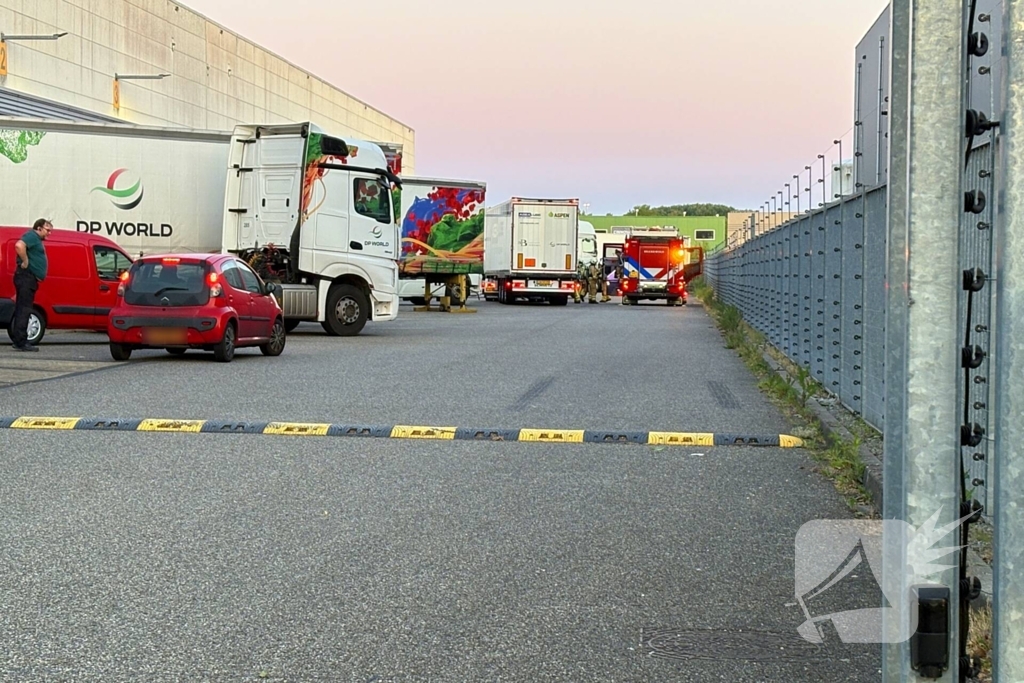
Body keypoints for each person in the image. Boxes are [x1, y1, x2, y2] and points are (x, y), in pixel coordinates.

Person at [11, 218, 52, 351]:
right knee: (24, 310)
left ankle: (19, 340)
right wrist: (25, 261)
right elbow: (19, 245)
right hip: (26, 277)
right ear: (39, 228)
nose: (49, 233)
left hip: (27, 279)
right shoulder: (32, 236)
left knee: (22, 309)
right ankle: (21, 342)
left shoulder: (36, 239)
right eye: (47, 230)